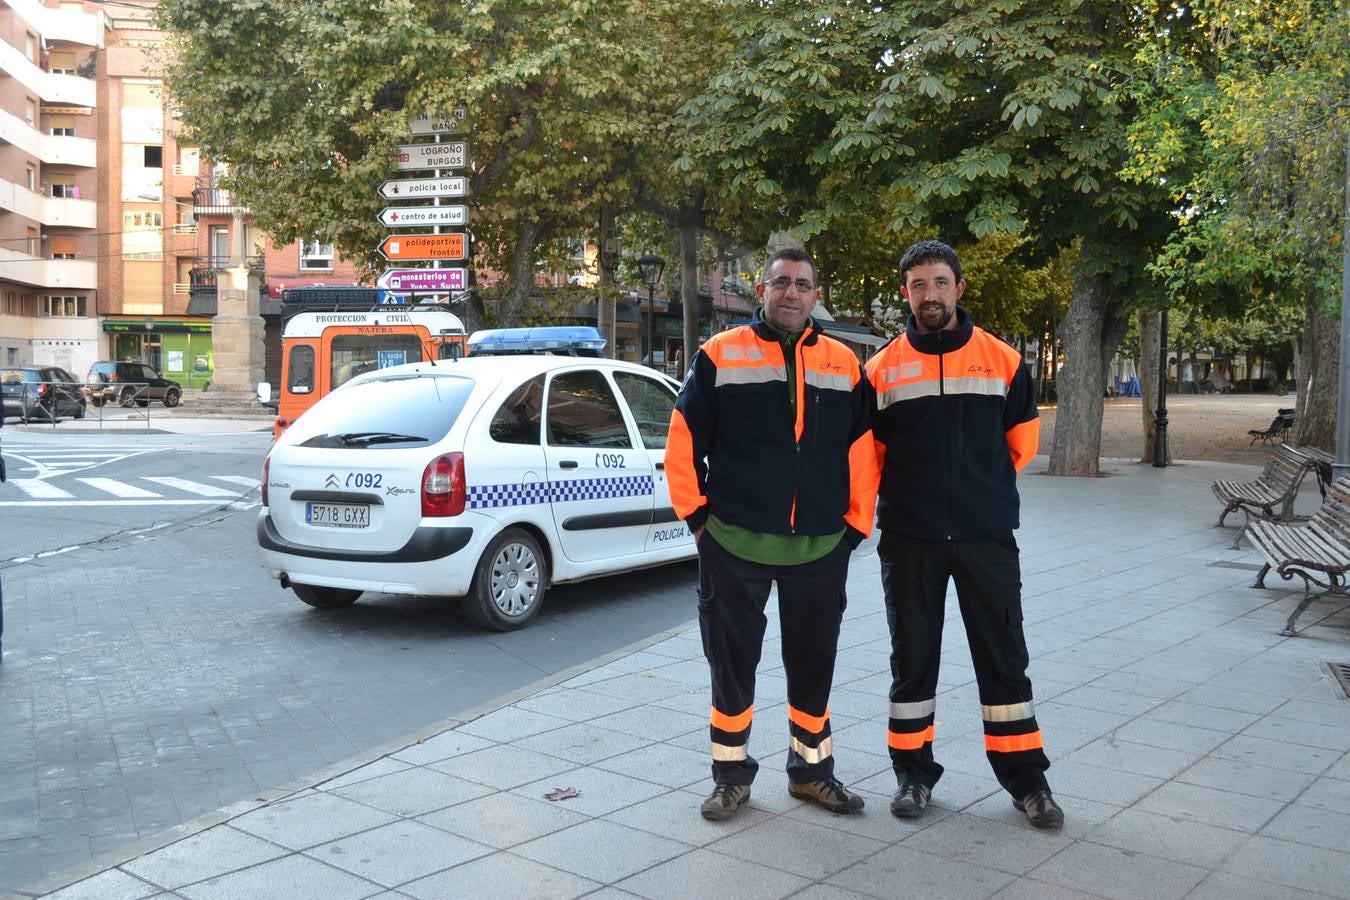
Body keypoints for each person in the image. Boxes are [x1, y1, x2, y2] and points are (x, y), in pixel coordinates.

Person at [666, 246, 878, 821]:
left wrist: (855, 526)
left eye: (802, 284)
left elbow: (862, 451)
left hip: (819, 547)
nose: (791, 292)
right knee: (731, 664)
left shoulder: (844, 364)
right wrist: (700, 522)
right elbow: (683, 441)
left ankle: (811, 773)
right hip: (734, 544)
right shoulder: (719, 355)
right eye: (780, 282)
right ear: (762, 291)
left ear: (816, 296)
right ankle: (731, 776)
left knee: (814, 661)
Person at [865, 240, 1063, 828]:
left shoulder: (1002, 360)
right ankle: (912, 776)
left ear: (960, 288)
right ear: (906, 292)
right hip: (910, 538)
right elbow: (868, 459)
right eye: (918, 284)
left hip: (986, 536)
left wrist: (980, 494)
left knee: (1004, 661)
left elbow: (1021, 445)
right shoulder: (880, 369)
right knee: (913, 662)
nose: (930, 294)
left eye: (940, 282)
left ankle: (1029, 782)